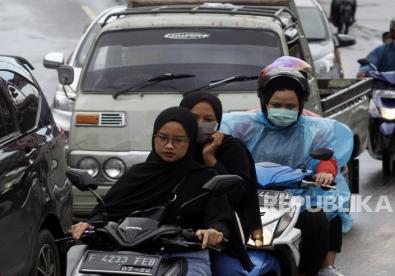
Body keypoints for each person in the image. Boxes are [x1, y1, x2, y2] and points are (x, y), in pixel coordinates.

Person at [221, 56, 354, 276]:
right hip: (248, 194)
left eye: (290, 106)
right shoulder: (241, 125)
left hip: (297, 196)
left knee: (324, 212)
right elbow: (225, 149)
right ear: (264, 102)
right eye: (276, 105)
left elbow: (325, 158)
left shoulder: (314, 129)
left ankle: (316, 269)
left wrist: (324, 173)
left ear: (301, 105)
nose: (283, 110)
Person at [72, 107, 233, 276]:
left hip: (183, 255)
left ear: (191, 142)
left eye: (179, 140)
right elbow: (105, 211)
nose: (169, 146)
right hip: (125, 253)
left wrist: (214, 232)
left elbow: (219, 219)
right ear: (154, 137)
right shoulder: (136, 174)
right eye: (163, 138)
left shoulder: (205, 177)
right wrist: (88, 224)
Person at [175, 91, 263, 274]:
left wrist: (210, 157)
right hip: (169, 233)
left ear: (218, 121)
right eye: (193, 117)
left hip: (222, 232)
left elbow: (235, 195)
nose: (200, 124)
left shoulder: (232, 149)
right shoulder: (173, 147)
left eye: (208, 119)